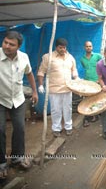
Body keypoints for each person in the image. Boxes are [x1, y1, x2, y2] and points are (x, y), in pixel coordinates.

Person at [0, 31, 38, 179]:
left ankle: (17, 158)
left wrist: (34, 92)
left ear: (18, 46)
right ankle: (1, 163)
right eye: (5, 42)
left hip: (18, 98)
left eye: (11, 44)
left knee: (20, 128)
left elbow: (29, 73)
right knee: (0, 129)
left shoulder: (24, 58)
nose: (7, 46)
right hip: (0, 100)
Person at [37, 38, 79, 137]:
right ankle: (56, 128)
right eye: (60, 47)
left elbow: (74, 70)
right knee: (56, 110)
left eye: (64, 48)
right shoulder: (48, 57)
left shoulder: (70, 57)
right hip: (54, 89)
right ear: (56, 47)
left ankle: (68, 127)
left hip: (68, 88)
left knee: (67, 109)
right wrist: (40, 85)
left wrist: (76, 78)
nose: (62, 50)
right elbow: (41, 71)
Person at [80, 41, 102, 127]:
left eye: (90, 46)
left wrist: (100, 79)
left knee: (97, 98)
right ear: (84, 48)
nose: (88, 48)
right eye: (87, 46)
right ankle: (91, 115)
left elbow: (103, 67)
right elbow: (85, 68)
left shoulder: (98, 56)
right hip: (88, 82)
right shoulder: (82, 59)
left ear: (92, 47)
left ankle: (96, 114)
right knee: (88, 99)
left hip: (97, 81)